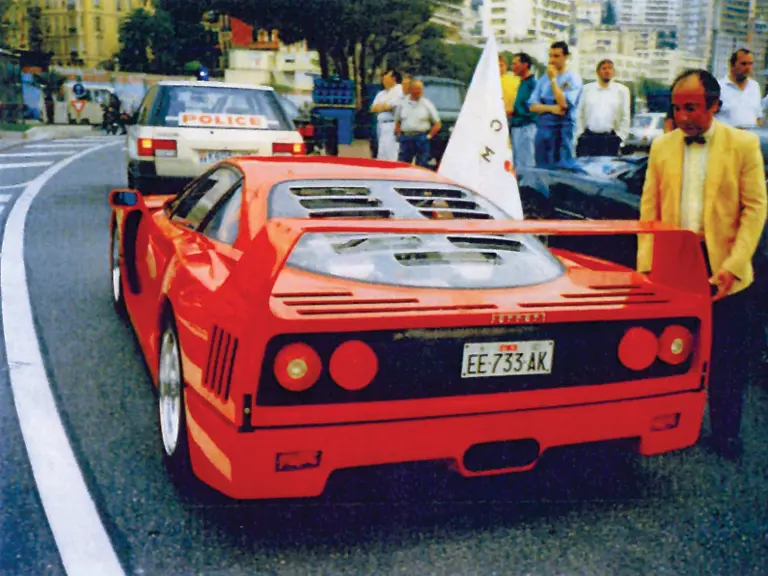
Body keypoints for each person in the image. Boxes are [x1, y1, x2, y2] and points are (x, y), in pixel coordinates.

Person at [638, 69, 767, 462]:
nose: (682, 116)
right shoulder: (662, 146)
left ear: (714, 105)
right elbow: (649, 209)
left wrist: (732, 265)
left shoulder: (742, 145)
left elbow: (755, 208)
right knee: (670, 351)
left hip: (728, 271)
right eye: (677, 108)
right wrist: (646, 266)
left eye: (691, 107)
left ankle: (726, 434)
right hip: (675, 269)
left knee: (728, 358)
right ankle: (664, 426)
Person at [528, 41, 583, 168]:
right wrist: (552, 108)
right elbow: (532, 106)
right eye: (550, 56)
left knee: (562, 165)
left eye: (556, 56)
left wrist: (553, 80)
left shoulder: (573, 78)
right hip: (544, 128)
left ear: (565, 57)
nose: (552, 60)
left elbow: (564, 104)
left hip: (562, 128)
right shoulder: (542, 79)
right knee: (542, 164)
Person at [575, 59, 630, 156]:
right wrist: (579, 134)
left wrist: (620, 137)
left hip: (610, 139)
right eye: (604, 68)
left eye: (610, 68)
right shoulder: (586, 90)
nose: (607, 71)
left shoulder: (622, 91)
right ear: (597, 72)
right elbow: (579, 113)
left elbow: (625, 116)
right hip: (588, 138)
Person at [395, 79, 441, 168]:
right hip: (406, 138)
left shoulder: (427, 104)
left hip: (421, 138)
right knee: (402, 165)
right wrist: (399, 135)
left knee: (422, 165)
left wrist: (429, 136)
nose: (419, 92)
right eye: (417, 89)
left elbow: (437, 124)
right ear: (411, 90)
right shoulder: (402, 103)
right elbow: (397, 121)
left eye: (421, 89)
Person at [717, 49, 763, 129]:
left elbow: (758, 117)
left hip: (750, 138)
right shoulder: (718, 87)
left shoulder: (755, 87)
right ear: (731, 64)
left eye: (750, 64)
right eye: (743, 64)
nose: (748, 68)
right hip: (727, 138)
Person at [508, 52, 537, 169]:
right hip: (517, 127)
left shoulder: (532, 85)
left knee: (526, 163)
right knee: (517, 163)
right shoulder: (522, 83)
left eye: (515, 64)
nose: (512, 67)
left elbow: (532, 108)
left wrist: (514, 112)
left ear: (524, 65)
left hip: (526, 127)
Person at [370, 69, 404, 161]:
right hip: (380, 125)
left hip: (392, 124)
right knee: (381, 152)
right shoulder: (381, 93)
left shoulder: (399, 90)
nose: (383, 80)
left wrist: (383, 106)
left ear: (393, 78)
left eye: (386, 77)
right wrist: (384, 106)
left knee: (391, 152)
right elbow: (373, 108)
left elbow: (390, 106)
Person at [499, 54, 520, 119]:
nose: (499, 68)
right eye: (496, 66)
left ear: (506, 66)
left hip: (513, 115)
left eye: (501, 65)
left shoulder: (515, 78)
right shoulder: (489, 80)